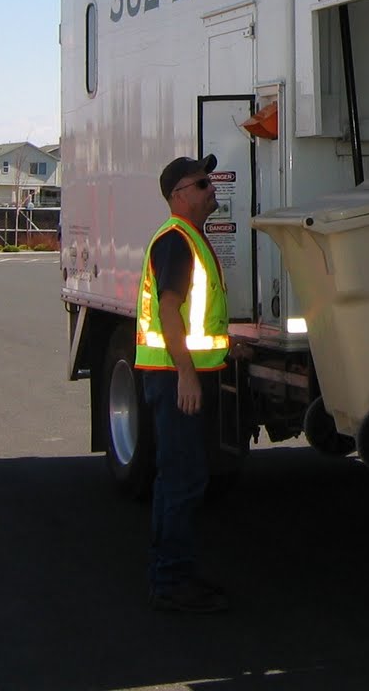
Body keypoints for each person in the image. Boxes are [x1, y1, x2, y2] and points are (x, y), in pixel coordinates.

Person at [135, 153, 231, 612]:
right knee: (183, 481)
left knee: (175, 479)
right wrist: (188, 375)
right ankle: (171, 581)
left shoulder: (187, 238)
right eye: (201, 183)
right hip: (177, 380)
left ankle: (169, 573)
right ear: (179, 195)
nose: (211, 188)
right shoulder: (176, 241)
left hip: (176, 375)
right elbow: (169, 311)